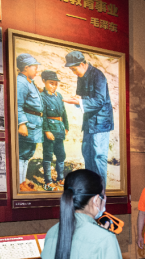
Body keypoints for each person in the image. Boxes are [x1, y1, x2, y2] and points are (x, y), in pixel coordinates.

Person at [63, 51, 114, 181]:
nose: (73, 72)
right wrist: (77, 99)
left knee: (98, 156)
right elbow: (81, 97)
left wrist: (79, 101)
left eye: (74, 69)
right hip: (89, 123)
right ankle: (91, 189)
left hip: (101, 124)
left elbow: (99, 101)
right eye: (71, 70)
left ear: (82, 64)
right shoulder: (80, 76)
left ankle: (100, 191)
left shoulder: (98, 75)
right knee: (87, 154)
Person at [16, 53, 44, 189]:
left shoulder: (29, 81)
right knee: (22, 154)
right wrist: (21, 124)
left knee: (27, 155)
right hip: (27, 124)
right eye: (34, 67)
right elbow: (17, 105)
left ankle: (22, 182)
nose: (37, 70)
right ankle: (19, 184)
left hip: (34, 125)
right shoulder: (21, 82)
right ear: (26, 67)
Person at [40, 70, 69, 191]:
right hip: (50, 130)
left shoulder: (59, 96)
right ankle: (48, 182)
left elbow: (64, 113)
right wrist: (46, 131)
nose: (54, 86)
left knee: (61, 154)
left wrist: (66, 127)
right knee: (48, 155)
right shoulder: (42, 97)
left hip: (59, 129)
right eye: (51, 83)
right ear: (44, 81)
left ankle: (60, 178)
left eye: (56, 84)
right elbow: (43, 115)